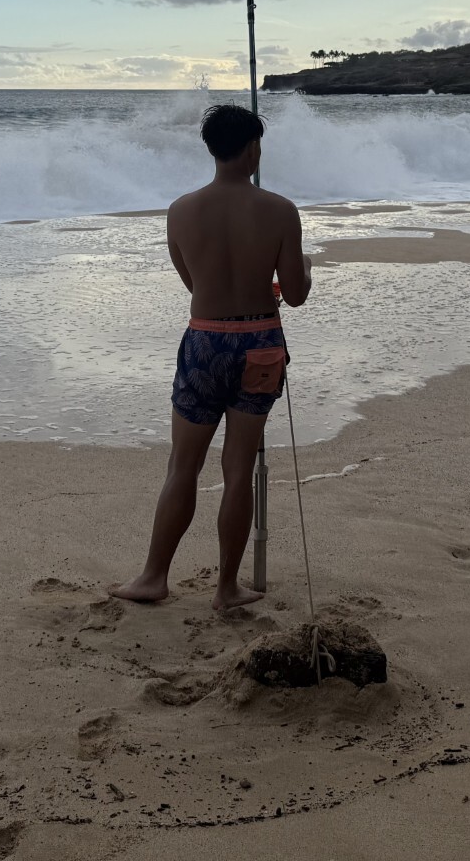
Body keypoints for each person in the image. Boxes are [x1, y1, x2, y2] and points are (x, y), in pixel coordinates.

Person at [109, 103, 312, 612]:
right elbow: (295, 293)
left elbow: (194, 284)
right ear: (252, 149)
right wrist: (303, 267)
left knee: (183, 465)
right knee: (238, 469)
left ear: (211, 149)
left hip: (203, 341)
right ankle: (226, 588)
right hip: (260, 344)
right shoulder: (280, 210)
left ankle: (154, 576)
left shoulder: (180, 210)